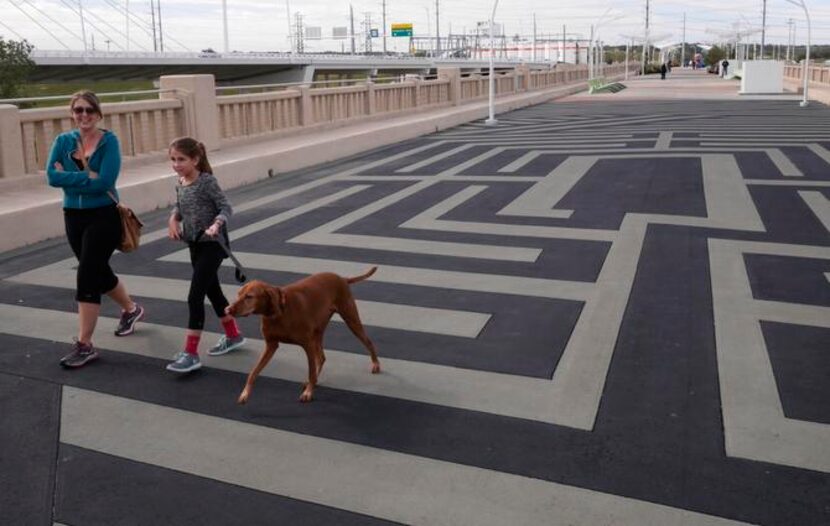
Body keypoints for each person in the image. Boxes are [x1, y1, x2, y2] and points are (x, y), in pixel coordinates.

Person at [46, 90, 145, 368]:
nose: (84, 115)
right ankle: (131, 309)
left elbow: (105, 182)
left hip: (103, 215)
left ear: (98, 113)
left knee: (87, 274)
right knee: (98, 271)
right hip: (73, 215)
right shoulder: (63, 141)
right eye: (78, 110)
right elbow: (51, 177)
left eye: (89, 110)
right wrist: (83, 175)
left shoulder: (109, 141)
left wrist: (71, 177)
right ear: (72, 113)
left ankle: (85, 345)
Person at [166, 137, 245, 373]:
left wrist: (217, 224)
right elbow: (180, 206)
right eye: (173, 159)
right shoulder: (180, 182)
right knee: (214, 292)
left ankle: (191, 353)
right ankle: (233, 335)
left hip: (213, 245)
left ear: (196, 159)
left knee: (195, 296)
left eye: (181, 159)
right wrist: (173, 219)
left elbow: (226, 207)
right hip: (194, 244)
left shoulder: (207, 181)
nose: (177, 164)